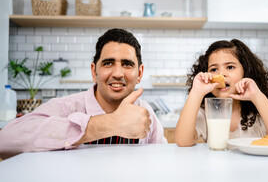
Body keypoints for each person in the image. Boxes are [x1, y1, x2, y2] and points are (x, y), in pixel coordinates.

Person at [0, 28, 167, 158]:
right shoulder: (65, 108)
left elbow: (161, 158)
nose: (117, 73)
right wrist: (111, 123)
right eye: (108, 63)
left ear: (139, 73)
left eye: (127, 64)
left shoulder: (145, 112)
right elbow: (4, 141)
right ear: (94, 72)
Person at [175, 39, 268, 147]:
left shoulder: (261, 105)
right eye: (214, 69)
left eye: (230, 67)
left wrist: (257, 96)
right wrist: (196, 92)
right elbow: (183, 141)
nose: (221, 74)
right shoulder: (206, 111)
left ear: (245, 72)